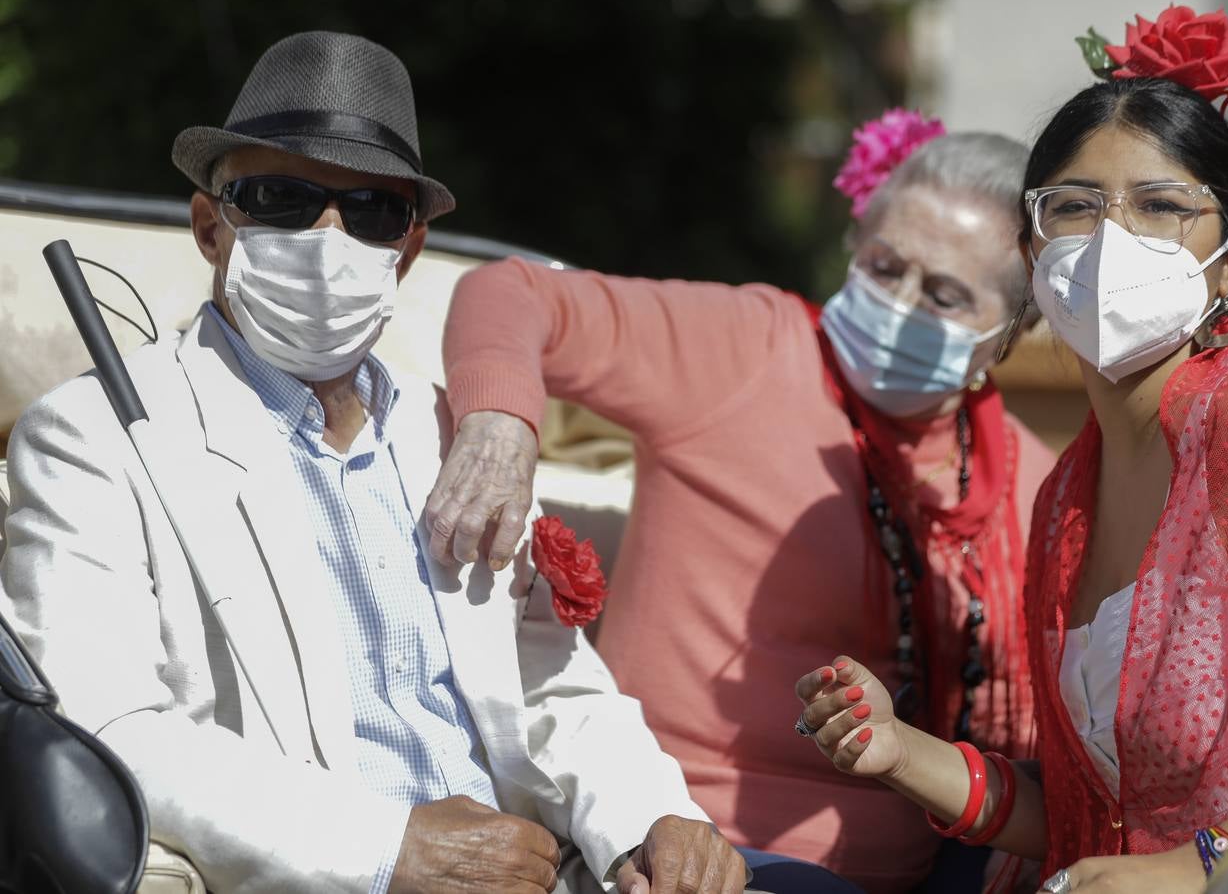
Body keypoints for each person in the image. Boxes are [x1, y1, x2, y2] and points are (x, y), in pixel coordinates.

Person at [0, 31, 749, 894]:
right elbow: (106, 726)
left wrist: (649, 820)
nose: (329, 235)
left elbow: (550, 687)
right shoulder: (91, 435)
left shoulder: (454, 439)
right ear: (212, 227)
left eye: (372, 212)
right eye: (279, 198)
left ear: (411, 248)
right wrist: (381, 849)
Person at [794, 5, 1228, 894]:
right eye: (1074, 208)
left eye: (1163, 208)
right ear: (1030, 247)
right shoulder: (1065, 501)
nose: (1109, 244)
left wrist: (1209, 862)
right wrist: (898, 751)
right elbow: (1089, 825)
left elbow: (1180, 847)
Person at [428, 116, 1058, 890]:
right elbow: (510, 291)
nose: (899, 302)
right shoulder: (746, 347)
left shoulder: (1036, 483)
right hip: (693, 845)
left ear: (1006, 335)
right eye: (885, 266)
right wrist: (500, 424)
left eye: (945, 295)